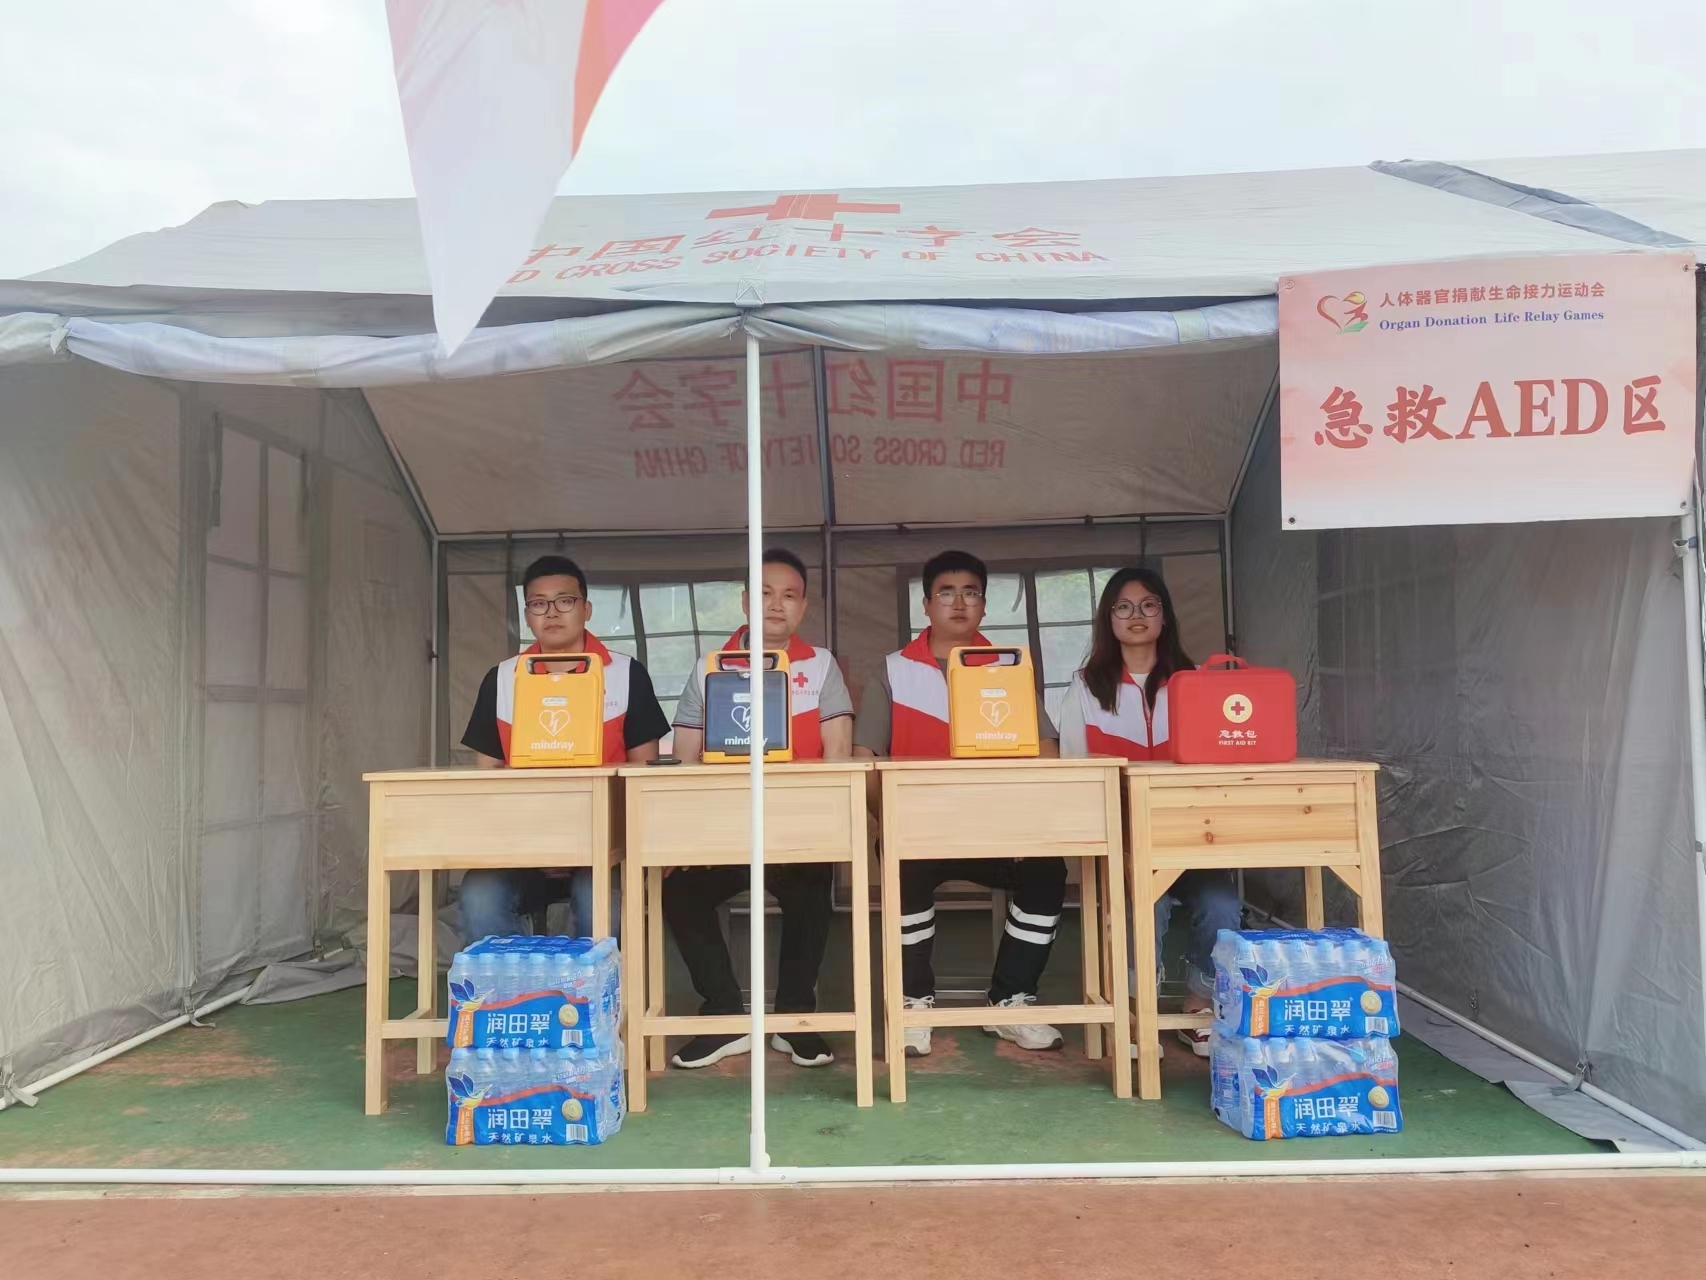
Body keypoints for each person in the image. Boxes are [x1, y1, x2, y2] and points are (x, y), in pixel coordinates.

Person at [854, 549, 1066, 1056]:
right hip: (919, 829)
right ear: (926, 604)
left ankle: (1009, 1002)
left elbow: (1047, 749)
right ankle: (912, 1004)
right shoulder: (894, 671)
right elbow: (865, 758)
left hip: (999, 829)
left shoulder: (1010, 666)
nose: (959, 602)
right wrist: (891, 821)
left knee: (1048, 869)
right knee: (902, 868)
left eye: (971, 592)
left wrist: (1024, 816)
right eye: (946, 592)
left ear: (984, 606)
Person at [662, 548, 855, 1070]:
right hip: (723, 829)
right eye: (765, 593)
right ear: (746, 601)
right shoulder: (709, 667)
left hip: (798, 829)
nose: (776, 604)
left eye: (789, 596)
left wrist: (822, 825)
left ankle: (795, 1019)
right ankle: (725, 1016)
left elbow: (838, 752)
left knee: (814, 882)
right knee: (678, 889)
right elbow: (684, 757)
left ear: (804, 607)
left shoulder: (822, 665)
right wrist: (690, 836)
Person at [1056, 566, 1241, 1057]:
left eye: (1148, 605)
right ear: (1108, 618)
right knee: (1147, 904)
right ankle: (1138, 1011)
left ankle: (1199, 1006)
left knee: (1223, 905)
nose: (1136, 615)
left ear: (1165, 616)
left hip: (1190, 839)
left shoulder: (1195, 683)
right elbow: (1074, 769)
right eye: (1123, 606)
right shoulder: (1085, 687)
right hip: (1125, 843)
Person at [458, 554, 670, 941]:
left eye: (565, 601)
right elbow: (487, 779)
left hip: (606, 847)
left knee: (599, 900)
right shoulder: (502, 679)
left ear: (586, 609)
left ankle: (595, 982)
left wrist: (597, 843)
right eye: (539, 604)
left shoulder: (625, 674)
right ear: (527, 615)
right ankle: (518, 981)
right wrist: (536, 846)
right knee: (479, 896)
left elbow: (645, 777)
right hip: (521, 846)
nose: (552, 613)